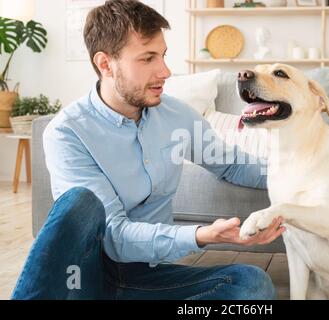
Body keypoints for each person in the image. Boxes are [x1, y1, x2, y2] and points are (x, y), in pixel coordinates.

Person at [11, 0, 285, 300]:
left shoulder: (177, 116)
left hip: (146, 275)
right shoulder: (67, 133)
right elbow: (114, 235)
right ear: (106, 64)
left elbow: (231, 164)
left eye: (163, 56)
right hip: (82, 279)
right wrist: (198, 236)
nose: (166, 71)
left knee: (250, 285)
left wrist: (304, 173)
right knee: (80, 202)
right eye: (148, 58)